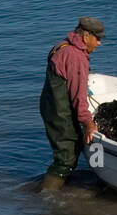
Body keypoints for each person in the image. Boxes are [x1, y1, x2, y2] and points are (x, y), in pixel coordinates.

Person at [39, 16, 104, 190]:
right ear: (86, 36)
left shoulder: (62, 45)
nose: (99, 43)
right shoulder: (76, 57)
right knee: (65, 159)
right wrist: (88, 123)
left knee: (72, 147)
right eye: (97, 38)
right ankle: (48, 196)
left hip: (50, 105)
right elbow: (78, 96)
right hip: (59, 111)